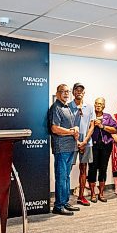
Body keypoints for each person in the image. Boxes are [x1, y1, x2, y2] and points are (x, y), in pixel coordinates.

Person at [48, 84, 80, 216]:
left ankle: (65, 202)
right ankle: (58, 205)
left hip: (70, 147)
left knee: (66, 177)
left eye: (68, 92)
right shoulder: (56, 107)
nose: (66, 94)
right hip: (61, 148)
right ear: (57, 93)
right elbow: (54, 128)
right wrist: (72, 132)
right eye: (63, 91)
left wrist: (75, 129)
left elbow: (70, 127)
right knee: (61, 177)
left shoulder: (67, 107)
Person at [87, 98, 117, 203]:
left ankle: (101, 193)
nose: (98, 105)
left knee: (103, 169)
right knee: (92, 169)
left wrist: (102, 126)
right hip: (93, 146)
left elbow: (115, 129)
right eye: (96, 103)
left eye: (100, 104)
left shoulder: (108, 117)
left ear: (104, 106)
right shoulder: (90, 116)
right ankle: (93, 194)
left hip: (106, 146)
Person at [69, 83, 94, 207]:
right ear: (73, 92)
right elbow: (67, 126)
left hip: (86, 143)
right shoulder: (68, 107)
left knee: (84, 169)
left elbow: (92, 125)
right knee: (67, 168)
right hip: (71, 142)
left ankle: (81, 196)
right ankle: (64, 199)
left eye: (81, 90)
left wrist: (85, 141)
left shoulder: (89, 107)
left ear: (84, 93)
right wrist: (77, 141)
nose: (79, 92)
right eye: (77, 90)